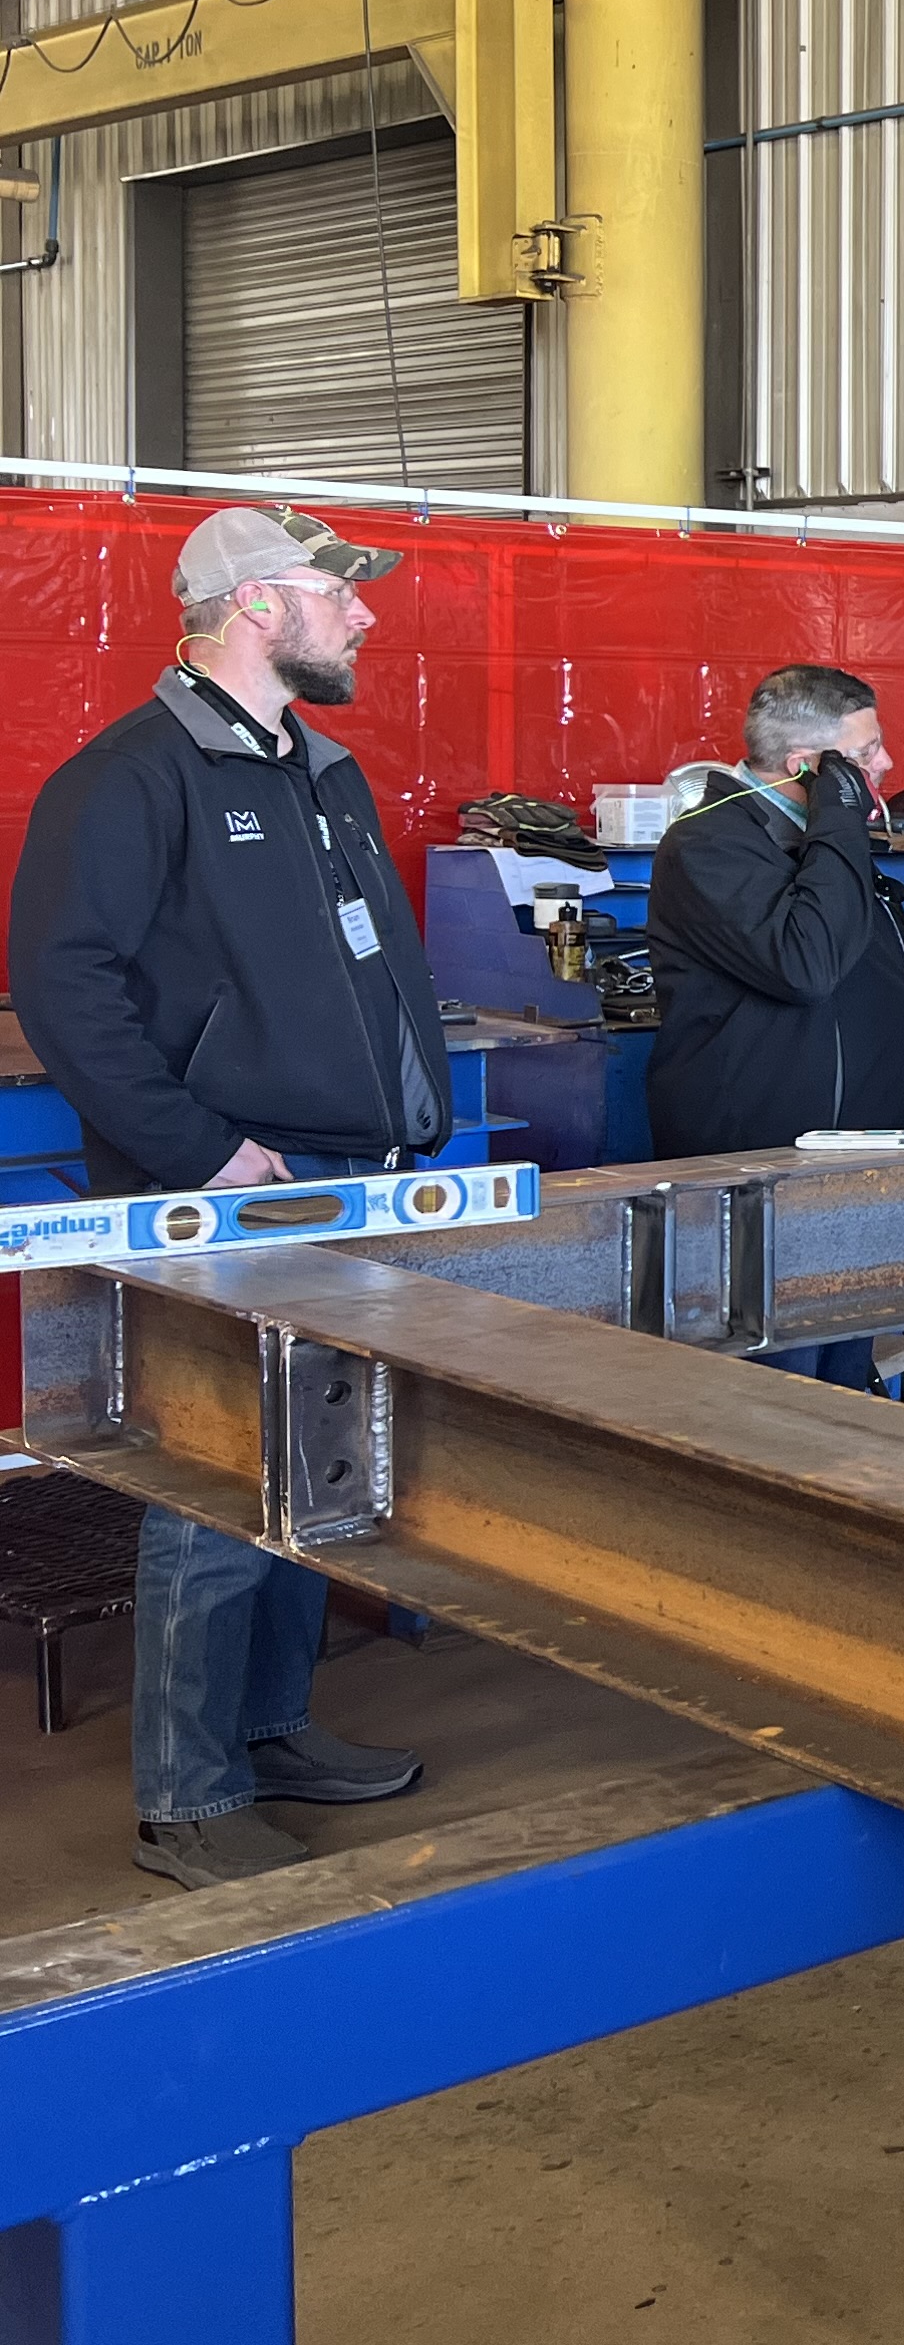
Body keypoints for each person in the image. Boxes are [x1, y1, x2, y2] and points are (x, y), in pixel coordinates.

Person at [11, 507, 442, 1888]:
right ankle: (187, 1801)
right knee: (213, 1491)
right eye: (338, 592)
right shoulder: (129, 778)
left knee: (313, 1477)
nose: (364, 614)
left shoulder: (322, 772)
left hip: (347, 1186)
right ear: (255, 605)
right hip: (227, 1196)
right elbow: (64, 983)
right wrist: (199, 1151)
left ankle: (267, 1728)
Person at [643, 665, 904, 1156]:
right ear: (804, 767)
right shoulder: (707, 845)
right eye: (865, 753)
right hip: (766, 1154)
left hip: (876, 1146)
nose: (886, 762)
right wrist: (840, 819)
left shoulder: (817, 838)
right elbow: (806, 967)